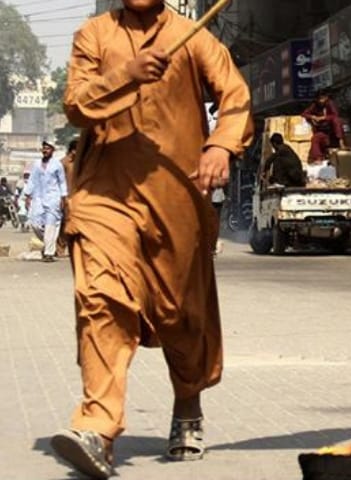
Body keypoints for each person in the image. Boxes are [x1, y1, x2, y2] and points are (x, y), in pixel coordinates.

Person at [49, 0, 253, 478]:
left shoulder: (194, 35)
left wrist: (221, 143)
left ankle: (187, 406)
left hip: (174, 197)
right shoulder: (93, 35)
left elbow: (236, 95)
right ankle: (97, 428)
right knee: (100, 298)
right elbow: (76, 104)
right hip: (105, 193)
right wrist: (127, 73)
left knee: (180, 314)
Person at [23, 141, 68, 262]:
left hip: (54, 198)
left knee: (50, 225)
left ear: (52, 150)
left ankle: (49, 253)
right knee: (35, 223)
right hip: (38, 198)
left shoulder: (57, 165)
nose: (45, 150)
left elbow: (62, 182)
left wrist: (63, 198)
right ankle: (49, 244)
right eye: (44, 148)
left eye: (48, 148)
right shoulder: (37, 164)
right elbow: (32, 180)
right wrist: (28, 196)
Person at [302, 88, 346, 162]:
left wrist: (323, 118)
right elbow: (304, 114)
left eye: (322, 99)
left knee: (336, 121)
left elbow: (335, 115)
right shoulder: (315, 105)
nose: (320, 101)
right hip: (323, 131)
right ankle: (318, 158)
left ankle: (341, 143)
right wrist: (313, 117)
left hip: (332, 131)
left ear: (326, 97)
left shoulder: (330, 103)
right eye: (319, 99)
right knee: (315, 138)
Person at [57, 138, 78, 257]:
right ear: (72, 150)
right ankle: (60, 247)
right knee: (64, 223)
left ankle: (72, 248)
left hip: (77, 197)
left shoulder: (80, 162)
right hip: (65, 197)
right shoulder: (63, 163)